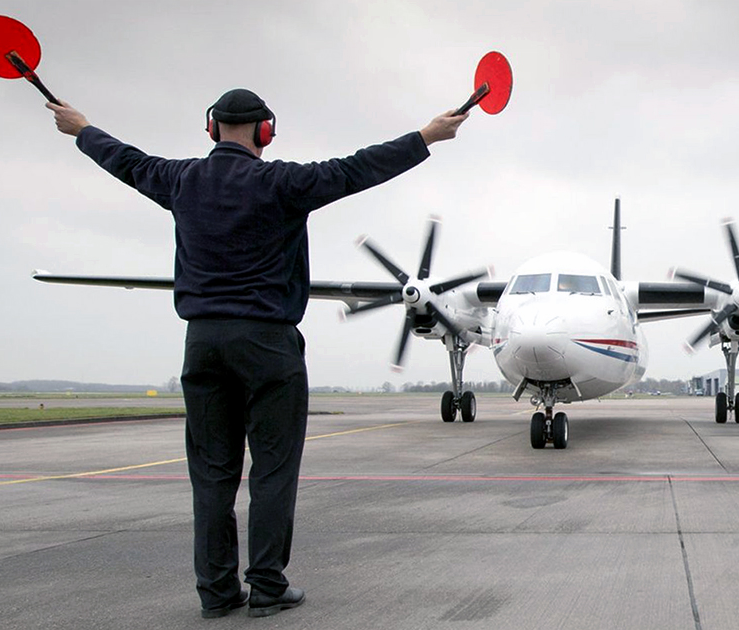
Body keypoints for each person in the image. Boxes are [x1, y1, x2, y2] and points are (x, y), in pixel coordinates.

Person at [47, 89, 467, 618]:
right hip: (268, 344)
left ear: (211, 129)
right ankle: (267, 585)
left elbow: (125, 161)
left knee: (211, 475)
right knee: (272, 470)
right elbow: (358, 168)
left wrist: (82, 128)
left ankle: (216, 592)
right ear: (264, 131)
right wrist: (427, 136)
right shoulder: (284, 182)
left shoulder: (180, 180)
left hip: (202, 344)